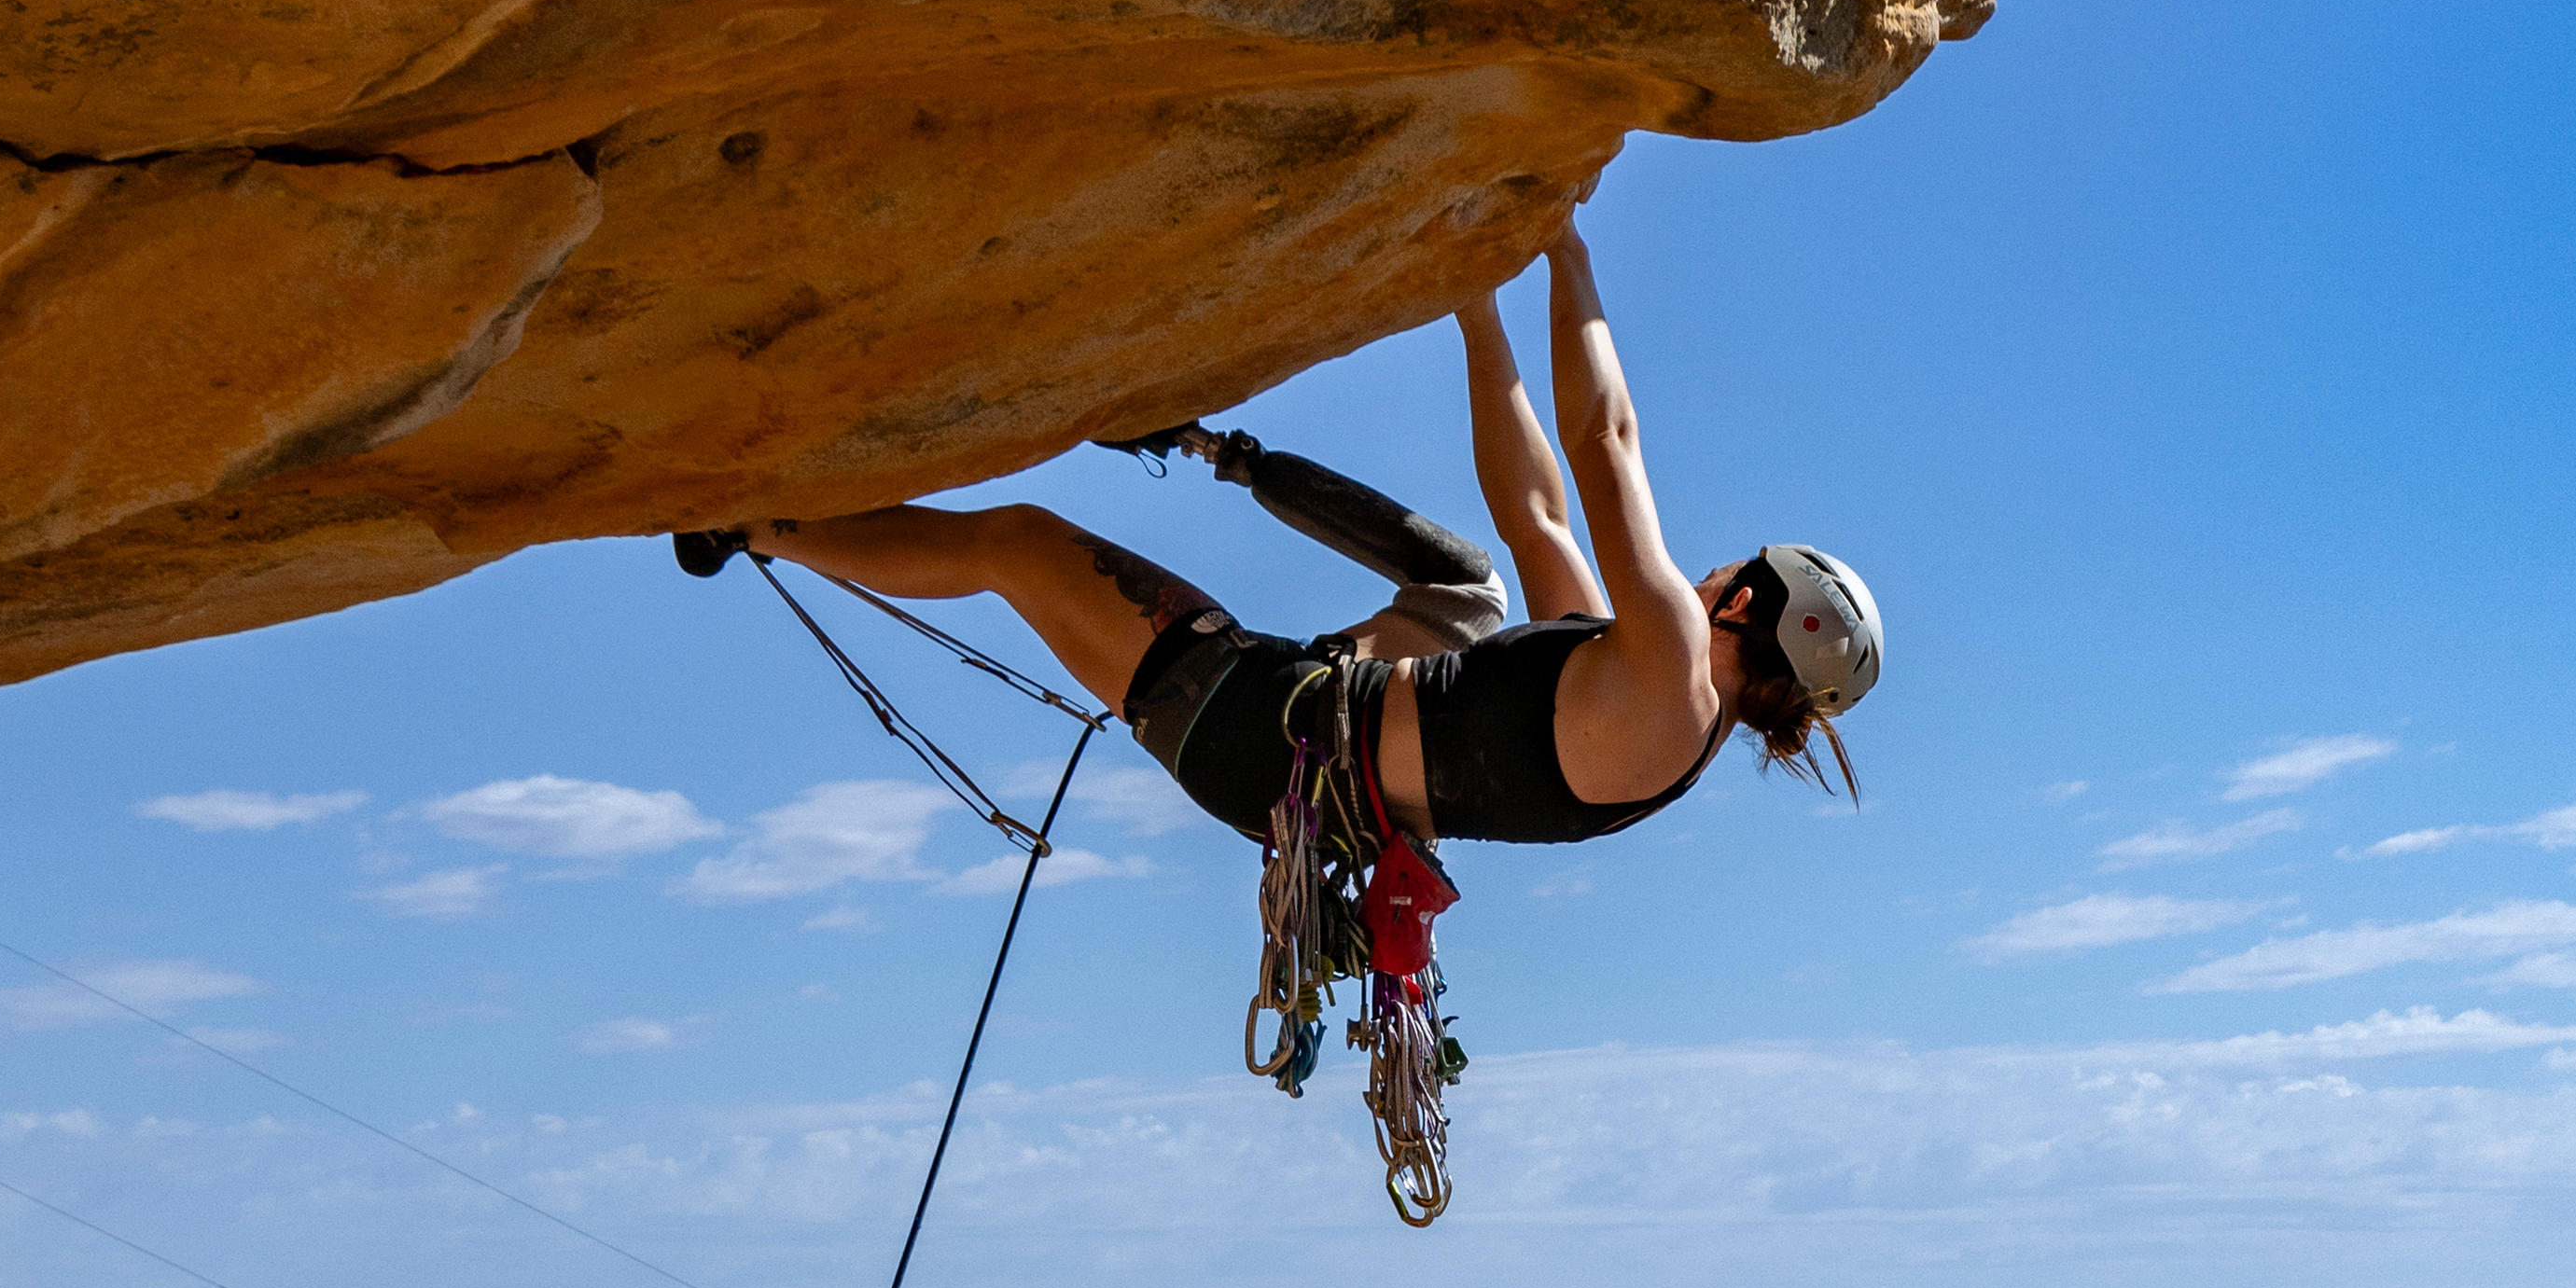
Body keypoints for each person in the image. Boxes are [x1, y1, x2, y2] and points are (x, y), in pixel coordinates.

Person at [684, 217, 1877, 847]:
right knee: (1474, 590)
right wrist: (1474, 298)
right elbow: (1537, 510)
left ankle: (755, 523)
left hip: (1260, 731)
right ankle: (1224, 454)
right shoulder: (1663, 718)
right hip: (1300, 763)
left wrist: (1566, 253)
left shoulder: (1671, 651)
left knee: (1021, 544)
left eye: (1744, 569)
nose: (1718, 562)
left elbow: (1604, 446)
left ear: (1745, 610)